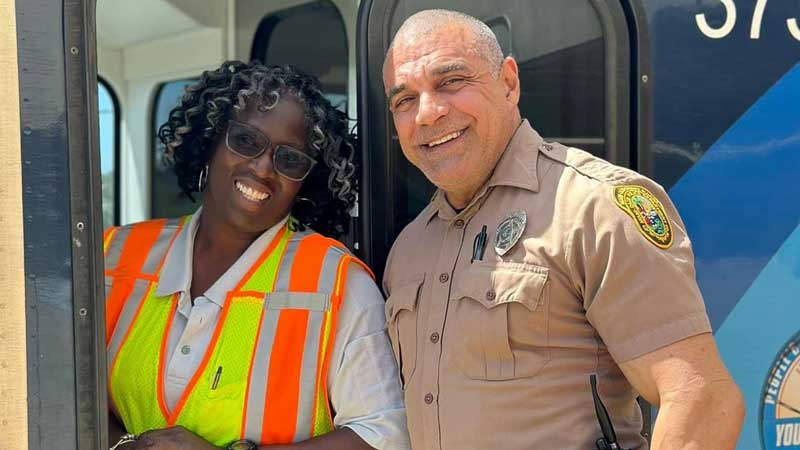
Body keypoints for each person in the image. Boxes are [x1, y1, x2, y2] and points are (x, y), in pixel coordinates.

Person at [381, 9, 744, 450]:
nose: (427, 113)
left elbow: (700, 397)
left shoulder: (594, 205)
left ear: (509, 83)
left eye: (451, 82)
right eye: (404, 100)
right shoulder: (409, 250)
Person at [103, 61, 409, 450]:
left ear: (307, 181)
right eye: (246, 141)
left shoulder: (338, 283)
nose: (263, 167)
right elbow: (62, 383)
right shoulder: (115, 254)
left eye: (290, 159)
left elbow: (383, 435)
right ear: (210, 142)